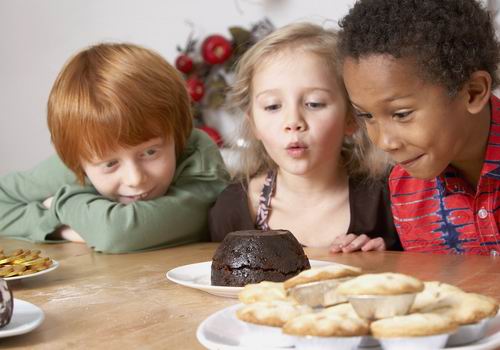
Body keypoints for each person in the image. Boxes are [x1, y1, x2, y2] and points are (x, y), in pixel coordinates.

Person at [0, 43, 229, 253]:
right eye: (110, 164)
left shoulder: (198, 157)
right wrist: (63, 229)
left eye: (150, 152)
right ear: (76, 161)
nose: (135, 179)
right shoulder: (82, 155)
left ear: (178, 134)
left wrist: (63, 204)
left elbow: (119, 233)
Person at [209, 23, 402, 253]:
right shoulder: (231, 209)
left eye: (314, 104)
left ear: (351, 117)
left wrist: (388, 261)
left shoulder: (389, 200)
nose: (293, 121)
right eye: (272, 106)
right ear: (254, 125)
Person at [338, 0, 500, 255]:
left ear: (472, 92)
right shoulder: (404, 189)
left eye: (401, 114)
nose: (384, 142)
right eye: (366, 115)